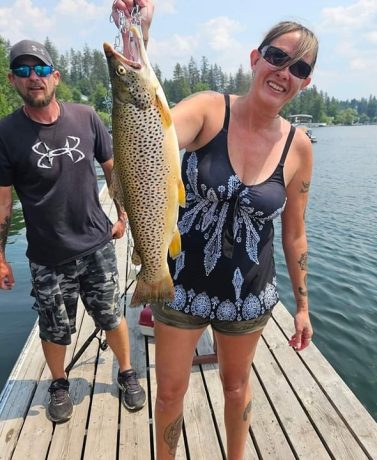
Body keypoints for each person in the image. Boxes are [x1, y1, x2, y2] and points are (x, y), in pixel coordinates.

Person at [112, 1, 317, 458]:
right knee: (168, 394)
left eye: (298, 66)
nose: (284, 71)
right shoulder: (208, 109)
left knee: (237, 389)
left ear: (305, 82)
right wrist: (137, 37)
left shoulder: (299, 147)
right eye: (277, 56)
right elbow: (146, 123)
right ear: (255, 58)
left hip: (248, 294)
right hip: (178, 284)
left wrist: (302, 307)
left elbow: (295, 234)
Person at [0, 38, 146, 423]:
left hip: (97, 243)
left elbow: (115, 170)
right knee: (53, 326)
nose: (35, 78)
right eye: (25, 71)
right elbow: (2, 202)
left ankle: (127, 372)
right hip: (47, 255)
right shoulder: (6, 133)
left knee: (111, 315)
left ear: (56, 77)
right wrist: (0, 256)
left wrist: (123, 217)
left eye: (42, 70)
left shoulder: (86, 117)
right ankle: (59, 383)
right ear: (13, 80)